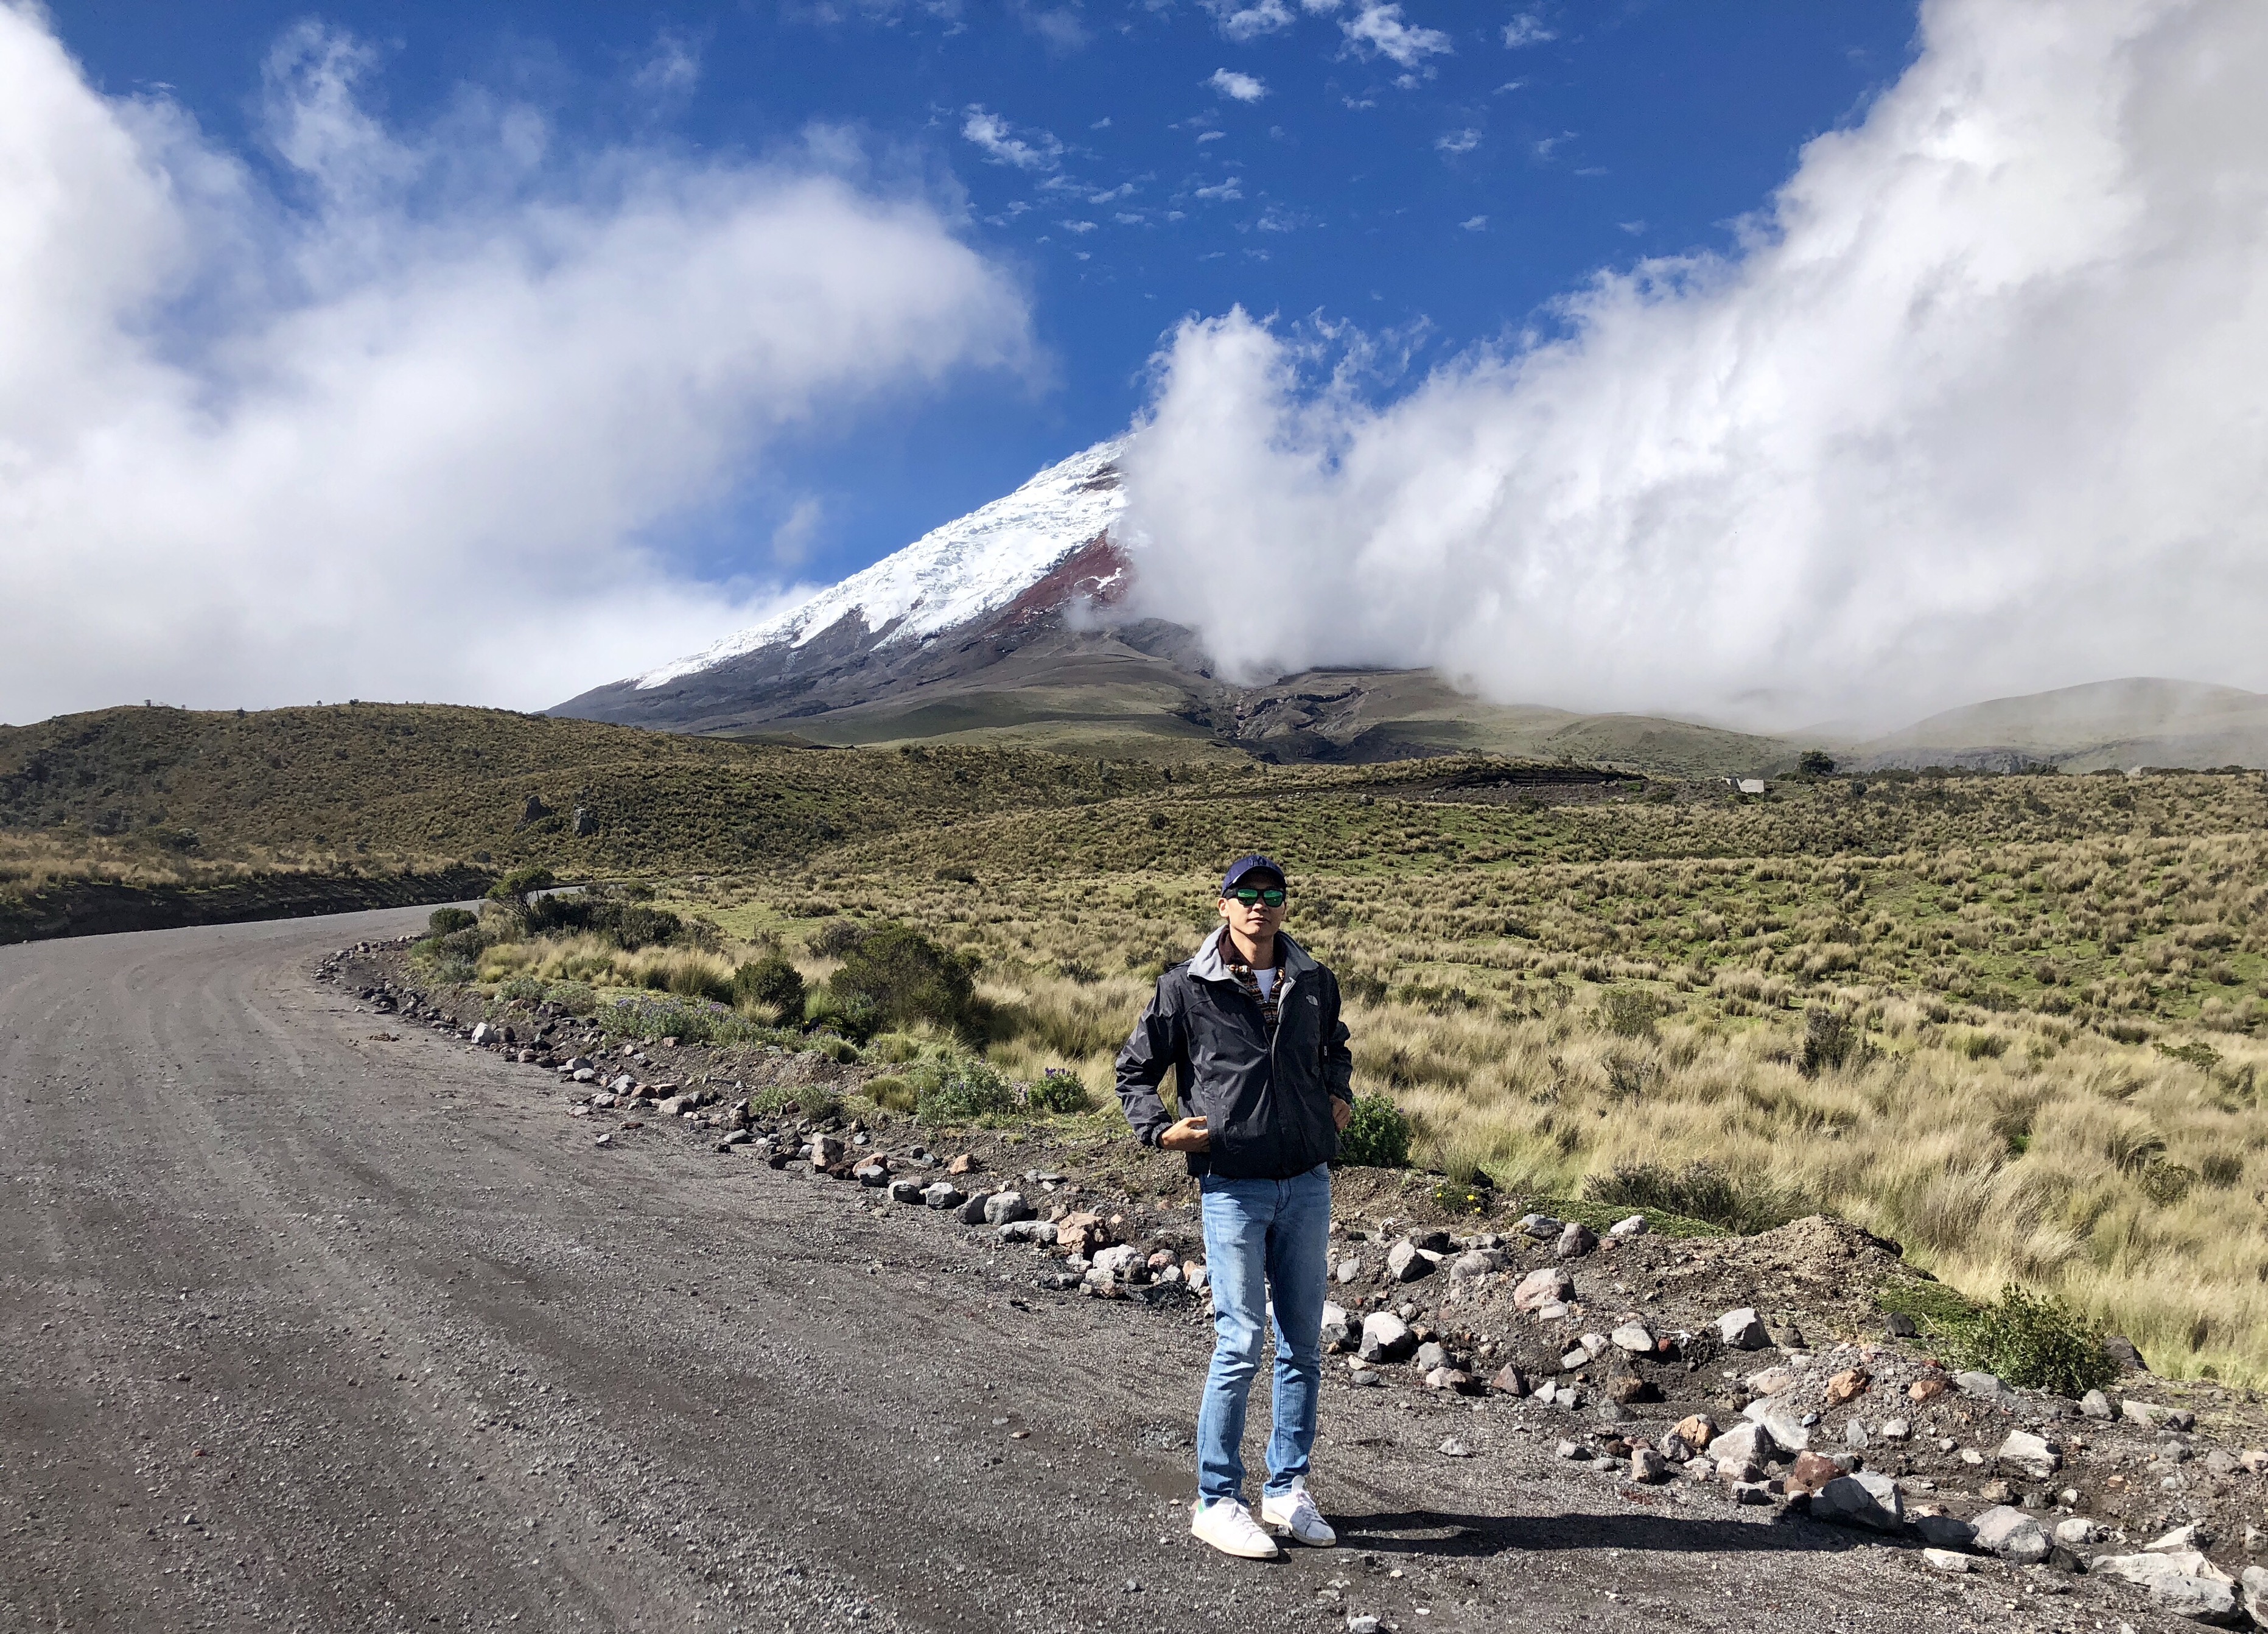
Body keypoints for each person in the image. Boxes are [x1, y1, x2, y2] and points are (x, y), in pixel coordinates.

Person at [1115, 854, 1356, 1560]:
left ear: (1285, 903)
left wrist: (1337, 1093)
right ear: (1222, 904)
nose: (1259, 903)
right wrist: (1159, 1129)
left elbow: (1334, 1047)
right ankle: (1217, 1500)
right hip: (1233, 1184)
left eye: (1271, 891)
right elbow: (1135, 1069)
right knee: (1241, 1340)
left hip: (1306, 1181)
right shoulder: (1185, 987)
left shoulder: (1314, 982)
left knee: (1302, 1344)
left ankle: (1287, 1488)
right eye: (1244, 892)